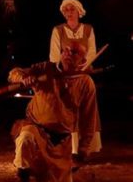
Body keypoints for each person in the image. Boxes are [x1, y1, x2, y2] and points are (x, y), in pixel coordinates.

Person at [9, 42, 89, 182]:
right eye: (66, 50)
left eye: (74, 52)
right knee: (25, 137)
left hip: (61, 142)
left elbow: (89, 118)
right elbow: (13, 74)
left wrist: (83, 151)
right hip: (37, 130)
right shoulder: (45, 68)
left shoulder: (85, 83)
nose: (68, 54)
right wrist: (23, 78)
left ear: (83, 60)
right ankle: (23, 174)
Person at [49, 0, 101, 161]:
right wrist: (65, 66)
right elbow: (54, 55)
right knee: (69, 109)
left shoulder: (88, 30)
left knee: (87, 109)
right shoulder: (58, 30)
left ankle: (86, 147)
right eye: (66, 10)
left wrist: (84, 64)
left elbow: (92, 51)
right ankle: (70, 148)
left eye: (72, 10)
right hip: (66, 76)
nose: (69, 13)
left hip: (83, 74)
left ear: (79, 11)